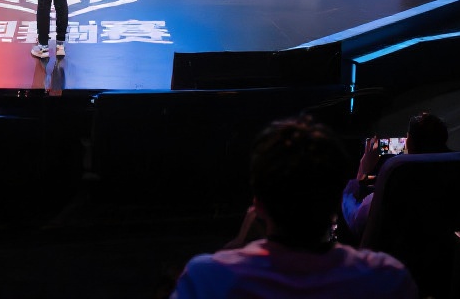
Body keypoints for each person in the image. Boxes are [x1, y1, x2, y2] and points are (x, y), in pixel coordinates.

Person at [171, 117, 418, 299]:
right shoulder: (387, 278)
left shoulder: (206, 279)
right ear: (335, 201)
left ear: (258, 204)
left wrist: (238, 243)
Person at [341, 112, 450, 240]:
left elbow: (356, 221)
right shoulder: (451, 171)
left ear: (410, 142)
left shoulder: (396, 174)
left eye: (407, 138)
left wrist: (362, 171)